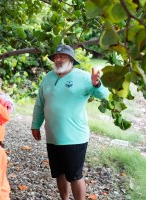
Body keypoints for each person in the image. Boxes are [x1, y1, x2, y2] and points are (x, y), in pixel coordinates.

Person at [31, 44, 108, 200]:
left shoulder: (83, 77)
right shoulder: (48, 77)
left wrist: (96, 84)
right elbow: (40, 103)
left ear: (71, 60)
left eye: (63, 56)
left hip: (74, 137)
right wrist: (35, 125)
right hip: (52, 135)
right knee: (59, 173)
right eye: (56, 57)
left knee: (74, 175)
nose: (58, 59)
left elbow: (103, 94)